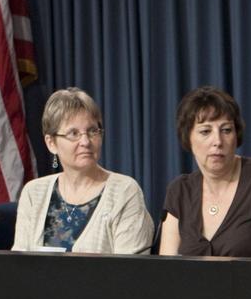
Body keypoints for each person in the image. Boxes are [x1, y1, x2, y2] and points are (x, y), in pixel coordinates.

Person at [11, 88, 153, 254]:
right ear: (51, 143)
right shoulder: (33, 193)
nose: (85, 141)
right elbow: (19, 266)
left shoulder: (125, 192)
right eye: (74, 133)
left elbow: (131, 272)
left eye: (92, 131)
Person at [158, 86, 251, 258]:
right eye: (206, 131)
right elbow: (167, 270)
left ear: (236, 135)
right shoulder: (179, 191)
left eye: (226, 130)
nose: (218, 141)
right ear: (188, 138)